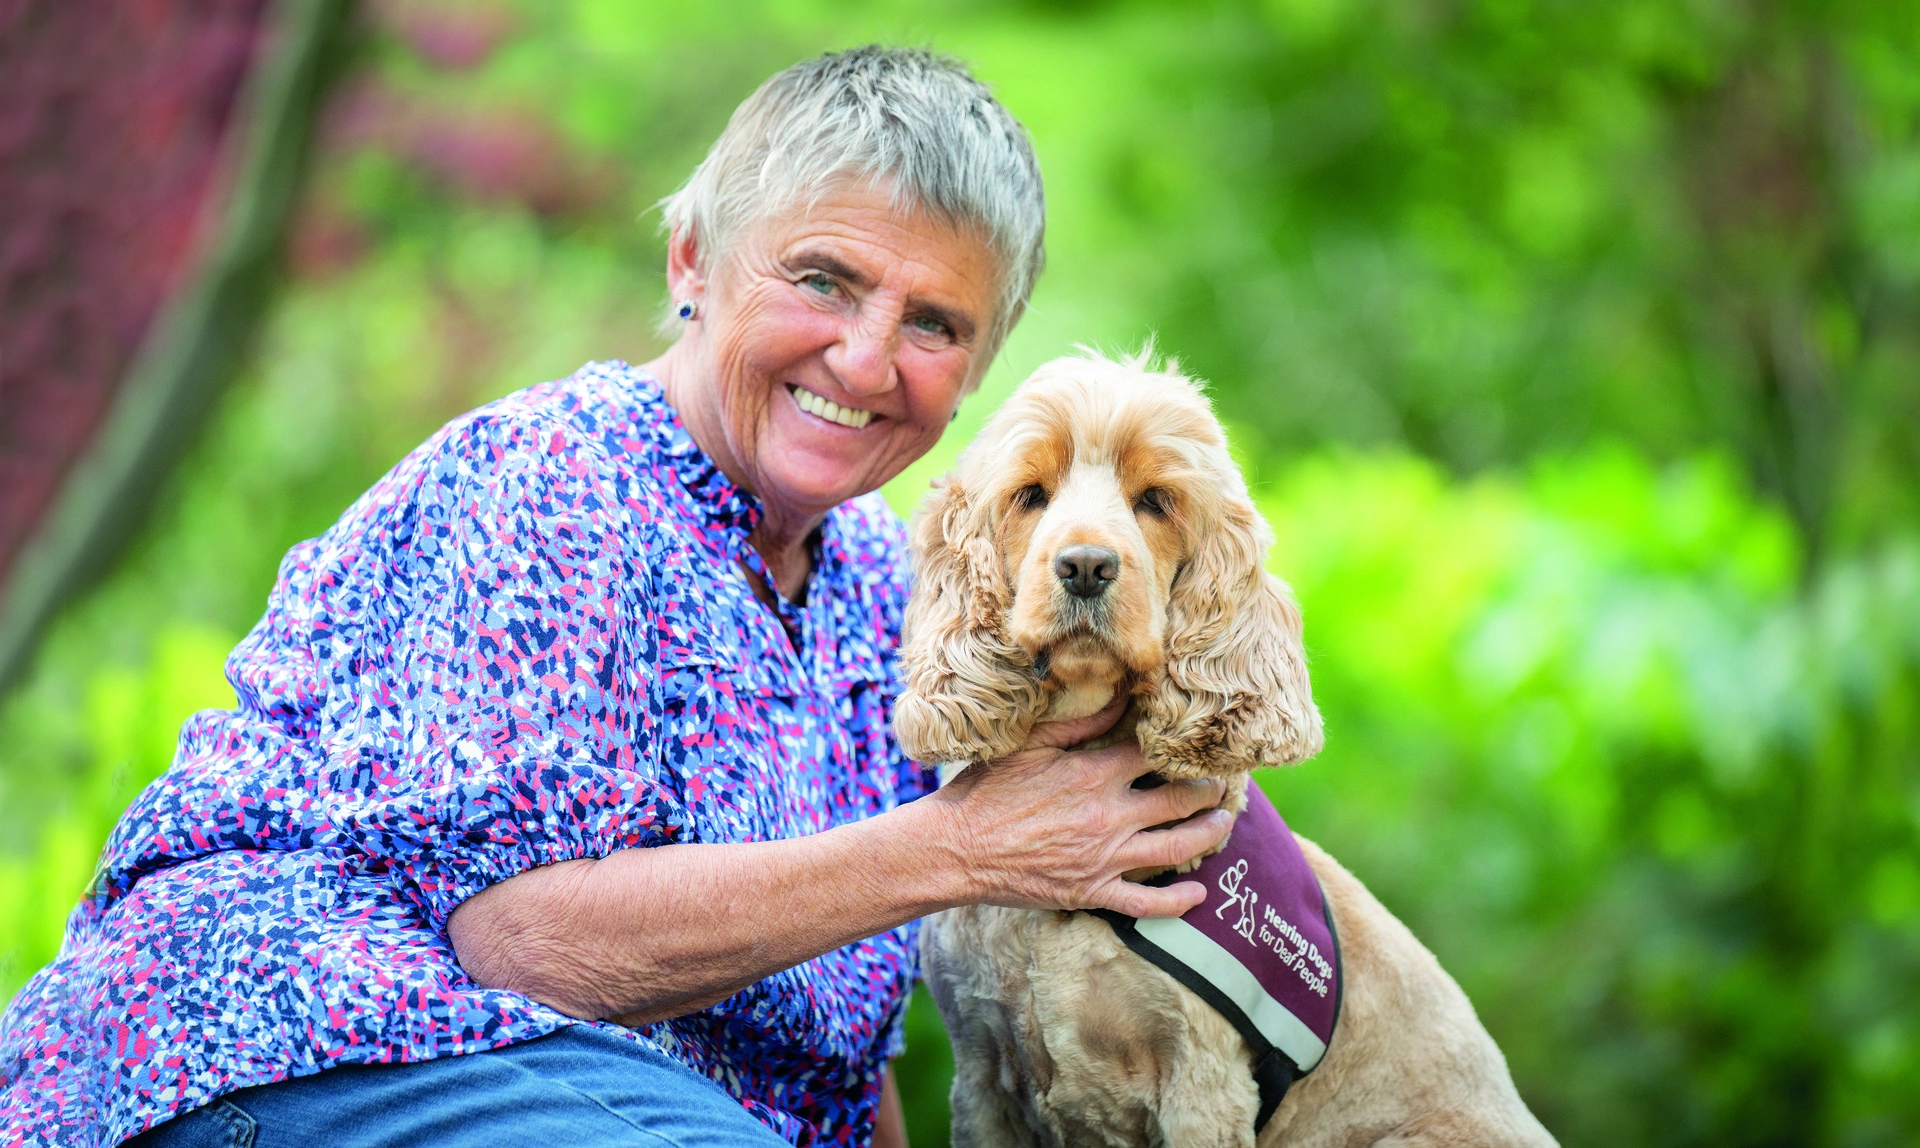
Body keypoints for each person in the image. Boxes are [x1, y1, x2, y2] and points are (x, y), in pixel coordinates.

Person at [0, 47, 1232, 1148]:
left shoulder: (879, 582)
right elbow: (515, 947)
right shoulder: (549, 482)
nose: (865, 358)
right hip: (281, 1054)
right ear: (692, 260)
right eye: (822, 279)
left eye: (933, 322)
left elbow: (835, 1058)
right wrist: (961, 846)